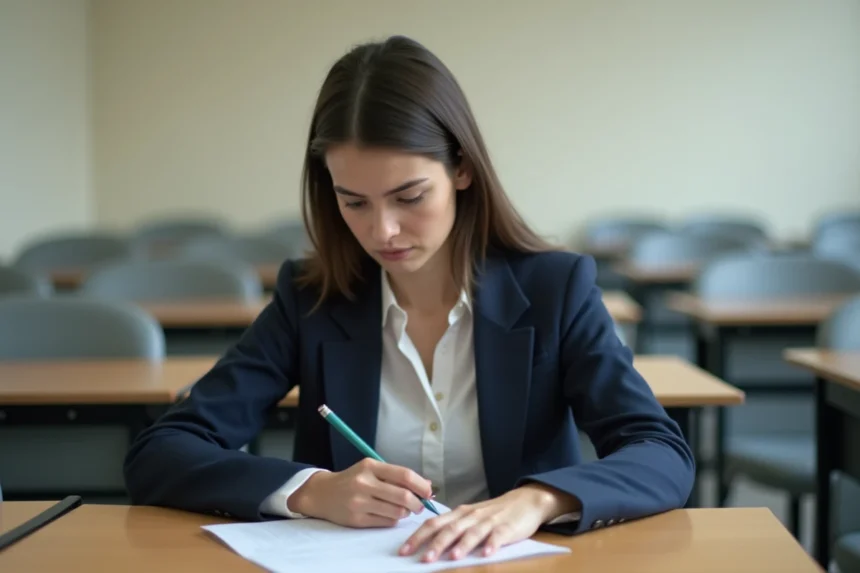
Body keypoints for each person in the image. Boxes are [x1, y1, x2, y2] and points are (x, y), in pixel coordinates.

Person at [124, 35, 694, 563]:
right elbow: (163, 452)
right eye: (355, 203)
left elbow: (661, 452)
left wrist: (537, 501)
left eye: (409, 196)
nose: (384, 231)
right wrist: (311, 491)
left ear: (462, 169)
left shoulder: (555, 289)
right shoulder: (311, 299)